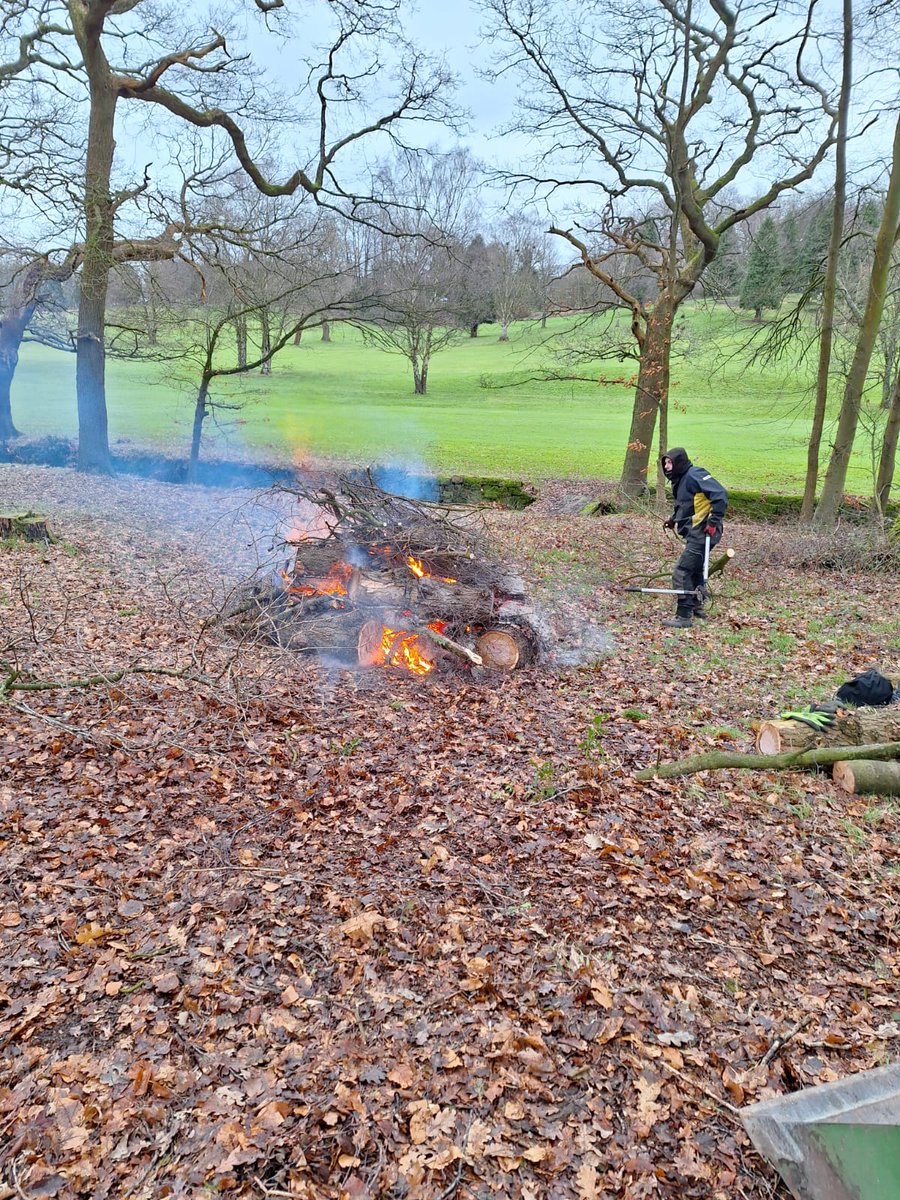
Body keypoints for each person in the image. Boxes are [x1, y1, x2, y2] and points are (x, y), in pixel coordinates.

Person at [660, 447, 728, 629]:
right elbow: (687, 505)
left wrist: (713, 523)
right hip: (695, 531)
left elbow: (720, 495)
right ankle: (698, 607)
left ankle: (684, 616)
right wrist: (674, 519)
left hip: (704, 532)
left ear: (679, 462)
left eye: (670, 463)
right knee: (695, 570)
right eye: (665, 463)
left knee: (681, 572)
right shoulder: (680, 480)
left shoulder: (694, 474)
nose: (667, 467)